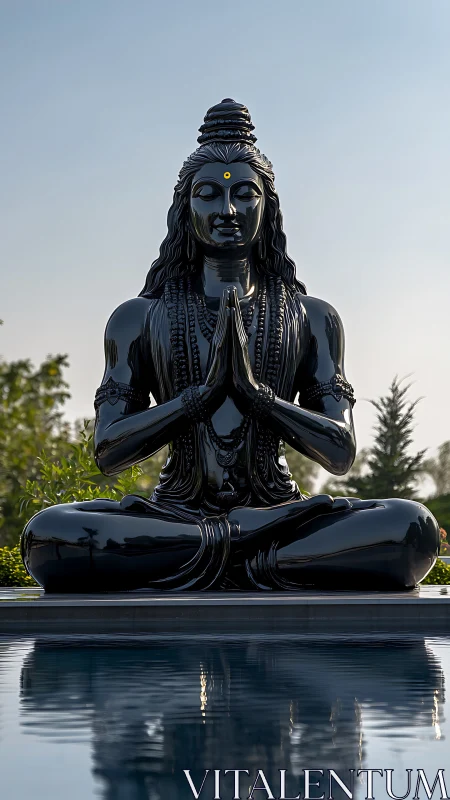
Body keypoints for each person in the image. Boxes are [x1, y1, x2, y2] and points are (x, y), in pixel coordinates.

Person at [21, 99, 439, 592]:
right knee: (51, 535)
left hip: (275, 512)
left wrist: (257, 396)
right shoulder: (139, 317)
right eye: (208, 196)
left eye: (244, 194)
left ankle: (214, 548)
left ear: (268, 206)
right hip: (178, 513)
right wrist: (198, 399)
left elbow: (341, 452)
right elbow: (109, 451)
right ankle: (250, 550)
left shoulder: (312, 317)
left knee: (410, 527)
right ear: (185, 209)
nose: (227, 210)